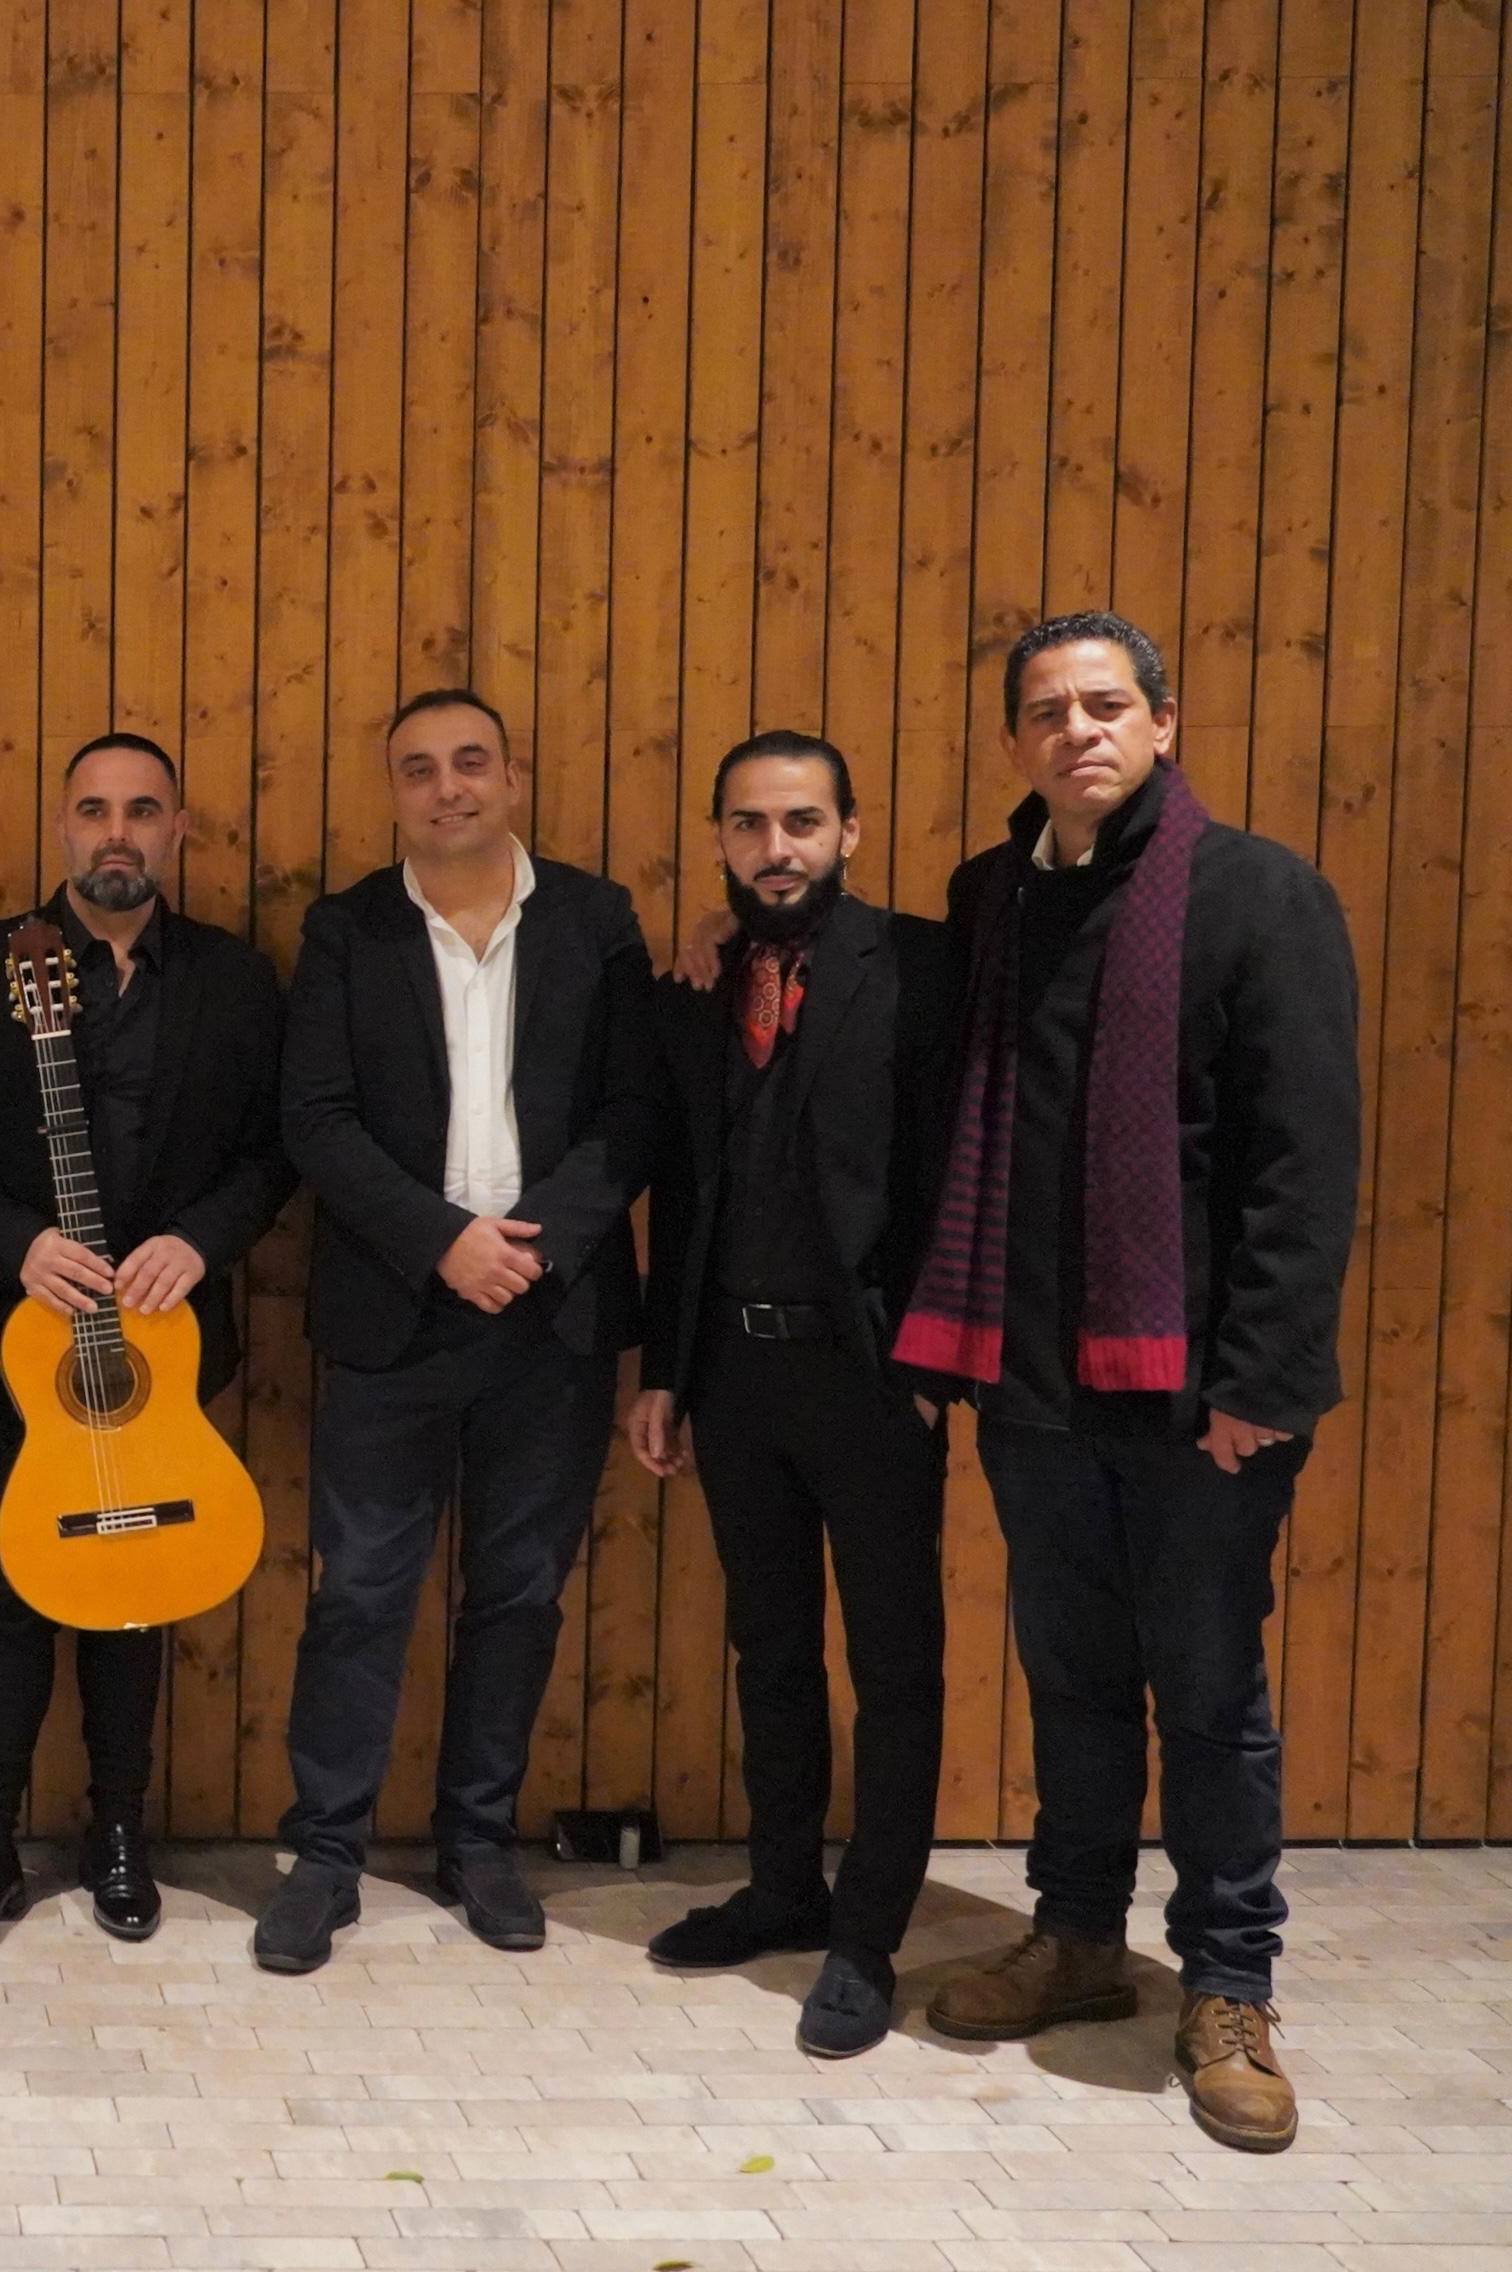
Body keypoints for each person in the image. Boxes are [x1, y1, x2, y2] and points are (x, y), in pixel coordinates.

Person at [905, 613, 1358, 2154]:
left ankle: (1230, 1985)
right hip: (1032, 1385)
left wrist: (1265, 1384)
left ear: (1165, 722)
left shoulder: (1255, 895)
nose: (1076, 732)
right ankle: (1081, 1939)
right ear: (1017, 742)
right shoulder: (992, 899)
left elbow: (1304, 1167)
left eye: (1106, 706)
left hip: (1199, 1403)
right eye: (1046, 712)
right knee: (1075, 1679)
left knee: (1213, 1698)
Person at [262, 688, 665, 1974]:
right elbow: (315, 1117)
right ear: (395, 791)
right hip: (397, 1310)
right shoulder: (346, 927)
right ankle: (324, 1853)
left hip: (551, 1315)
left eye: (472, 762)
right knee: (361, 1594)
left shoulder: (596, 920)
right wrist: (444, 1236)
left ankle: (477, 1842)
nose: (449, 788)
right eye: (421, 769)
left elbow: (635, 1111)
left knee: (518, 1593)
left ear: (513, 775)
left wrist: (532, 1241)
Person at [0, 731, 289, 1959]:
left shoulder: (235, 979)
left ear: (180, 829)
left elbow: (280, 1150)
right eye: (93, 810)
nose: (115, 831)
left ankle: (118, 1836)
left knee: (145, 1594)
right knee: (15, 1591)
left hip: (162, 1352)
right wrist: (17, 1243)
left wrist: (203, 1241)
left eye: (142, 810)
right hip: (22, 1345)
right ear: (62, 827)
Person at [626, 731, 956, 2057]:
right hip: (735, 1371)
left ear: (851, 833)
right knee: (769, 1646)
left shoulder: (925, 967)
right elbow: (681, 1191)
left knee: (894, 1664)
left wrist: (937, 1358)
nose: (778, 849)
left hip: (874, 1376)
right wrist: (664, 1371)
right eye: (752, 826)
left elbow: (954, 1173)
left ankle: (869, 1937)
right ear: (720, 840)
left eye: (803, 823)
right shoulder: (697, 987)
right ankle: (783, 1887)